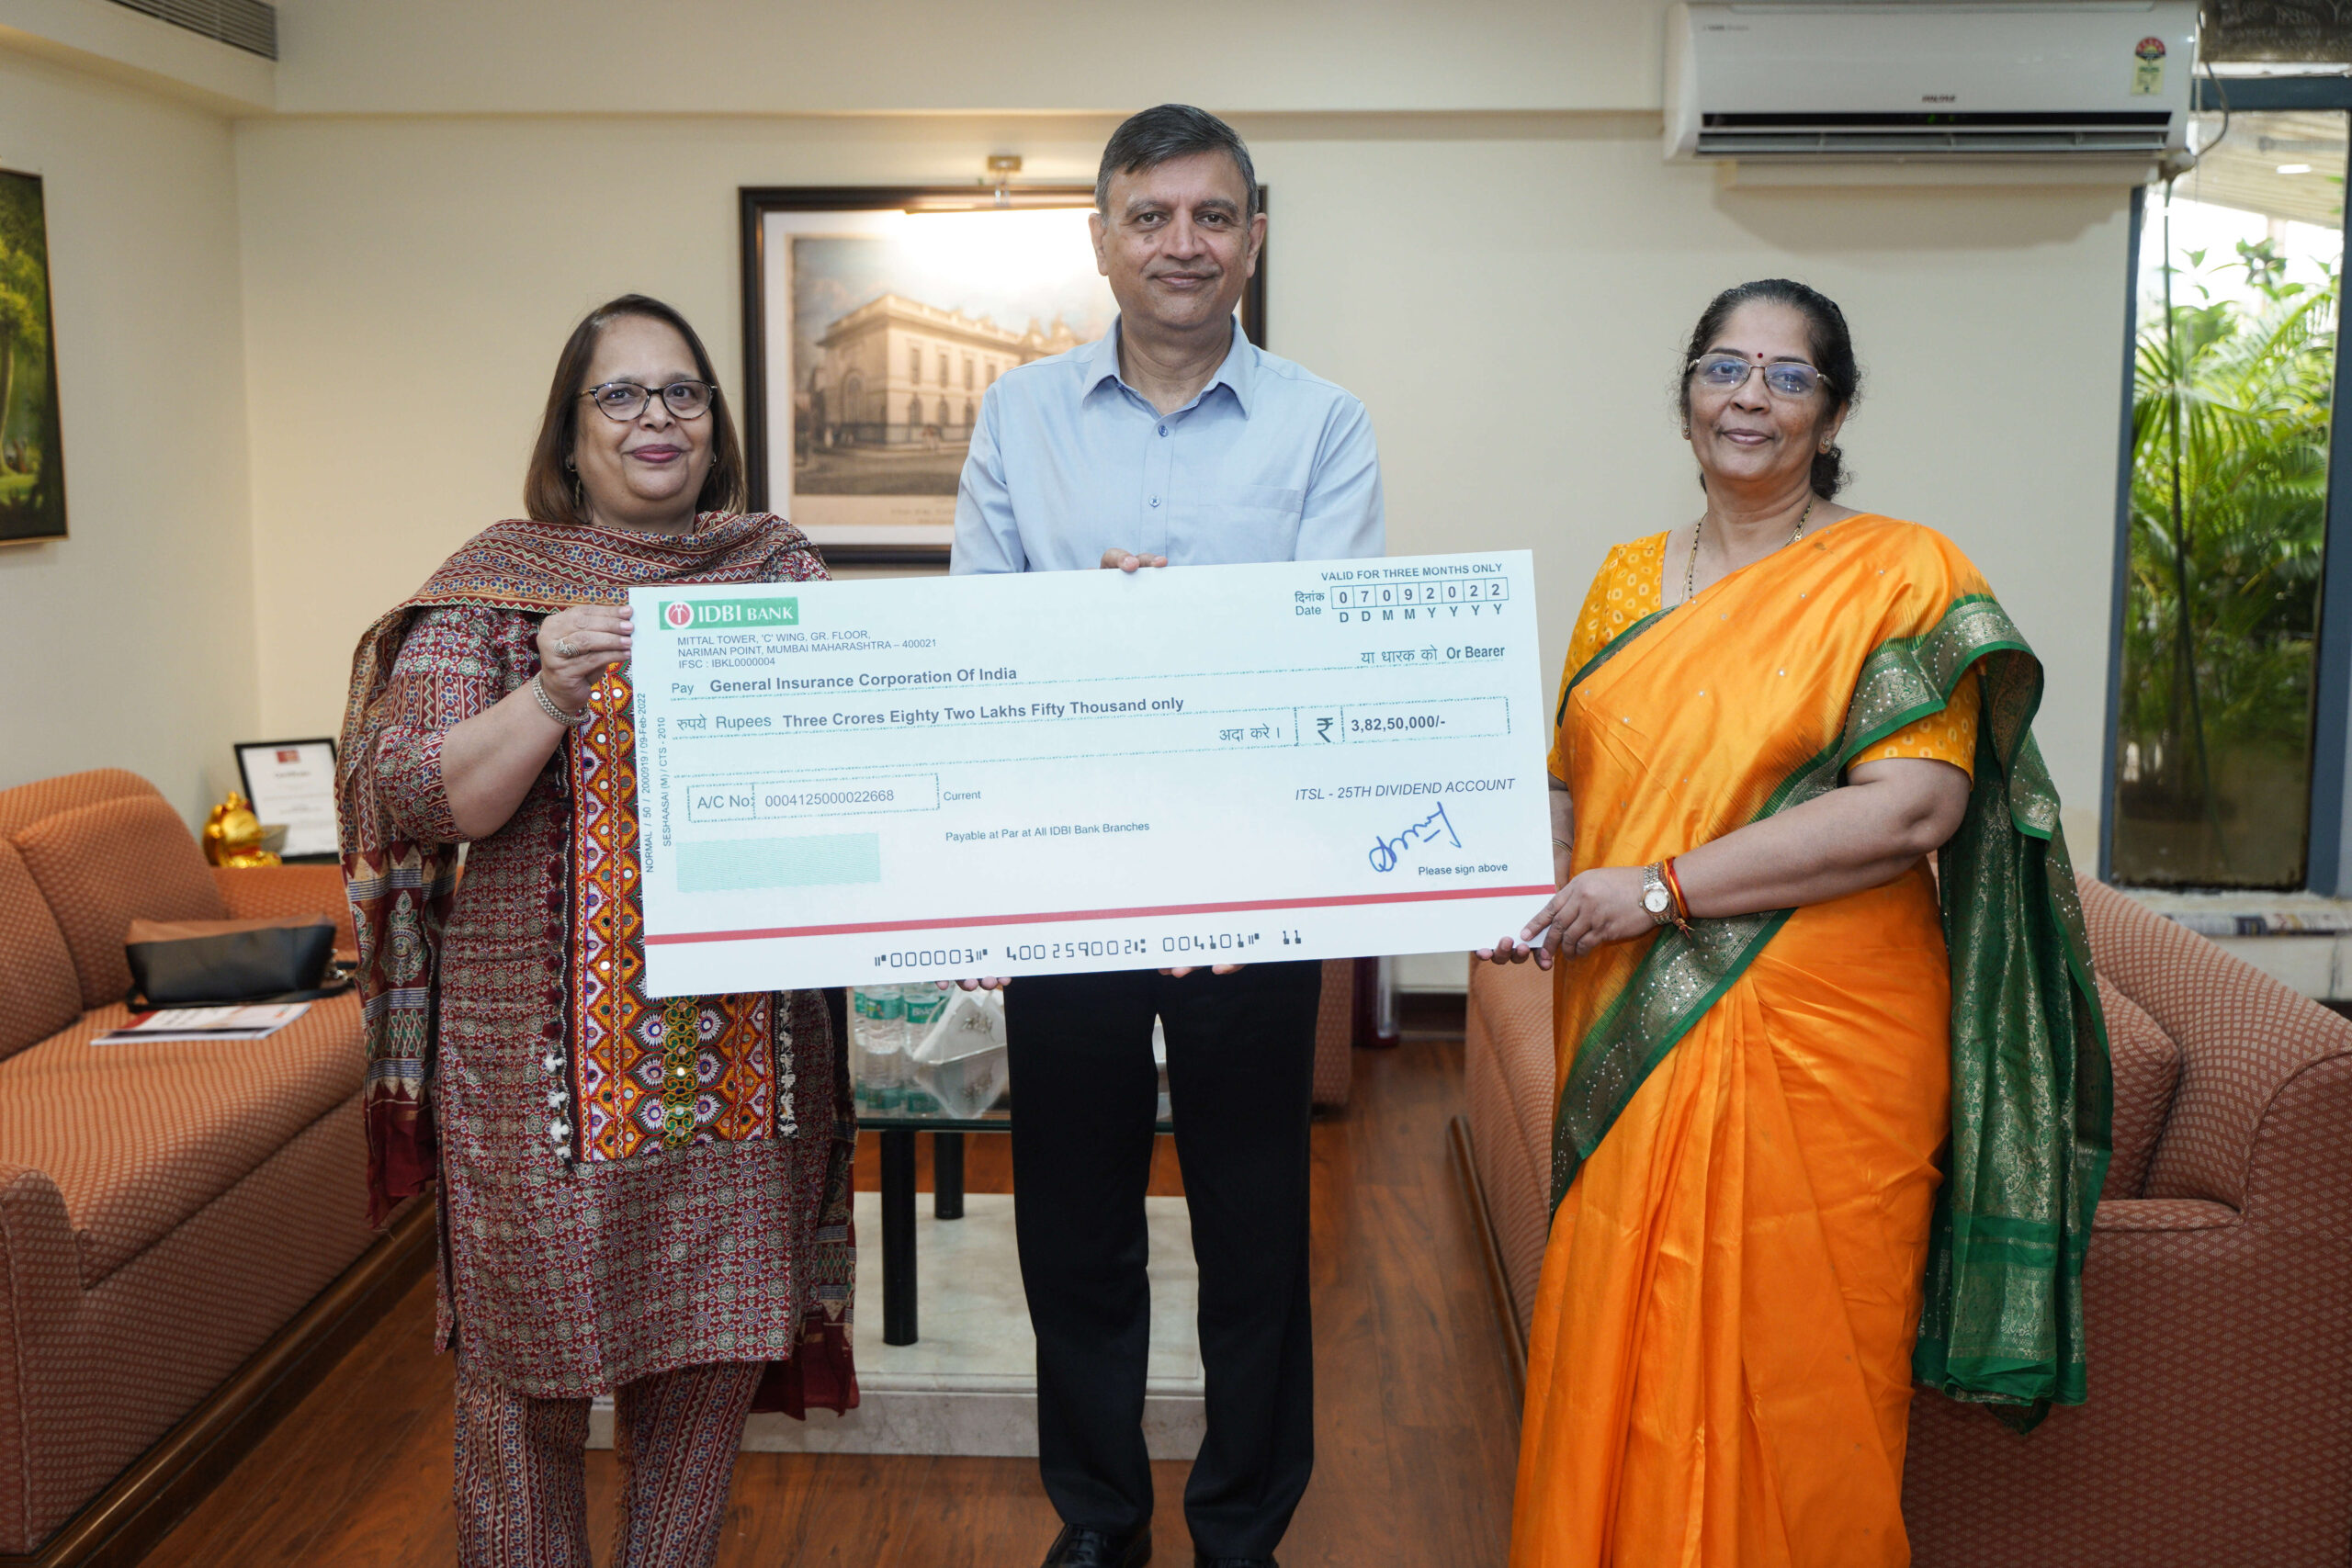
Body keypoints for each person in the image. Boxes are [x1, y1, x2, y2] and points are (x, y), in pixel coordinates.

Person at [1483, 278, 2109, 1567]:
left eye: (1788, 376)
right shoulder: (1623, 580)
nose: (1750, 398)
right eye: (1724, 368)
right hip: (1632, 1020)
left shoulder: (1903, 573)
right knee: (1624, 1332)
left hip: (1827, 1034)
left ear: (1835, 413)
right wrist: (1508, 894)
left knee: (1803, 1367)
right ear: (1685, 397)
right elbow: (1571, 791)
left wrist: (1660, 888)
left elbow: (1912, 808)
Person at [336, 295, 857, 1568]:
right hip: (537, 1071)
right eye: (619, 395)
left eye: (682, 391)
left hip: (746, 1054)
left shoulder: (778, 571)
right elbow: (418, 794)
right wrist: (547, 691)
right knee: (526, 1380)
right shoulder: (496, 590)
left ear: (714, 422)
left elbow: (866, 759)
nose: (654, 418)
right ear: (570, 434)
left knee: (709, 1364)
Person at [951, 105, 1382, 1568]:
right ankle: (1099, 1517)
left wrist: (1175, 633)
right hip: (1069, 879)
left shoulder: (1325, 422)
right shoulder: (1017, 416)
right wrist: (1094, 632)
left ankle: (1243, 1529)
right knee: (1073, 1226)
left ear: (1252, 238)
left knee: (1255, 1229)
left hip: (1253, 890)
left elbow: (1330, 654)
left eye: (1211, 216)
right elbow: (982, 643)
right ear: (1102, 240)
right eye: (1151, 216)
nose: (1181, 244)